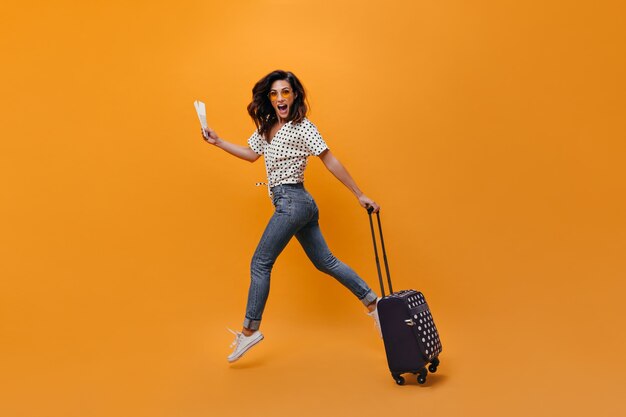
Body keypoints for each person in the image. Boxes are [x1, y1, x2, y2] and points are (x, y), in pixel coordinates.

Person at [201, 70, 381, 363]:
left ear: (294, 95)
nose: (279, 98)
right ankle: (375, 305)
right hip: (297, 204)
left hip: (293, 201)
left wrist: (359, 194)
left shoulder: (302, 127)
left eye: (285, 92)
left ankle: (249, 331)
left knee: (260, 262)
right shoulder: (268, 127)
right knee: (326, 261)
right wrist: (218, 142)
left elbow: (329, 159)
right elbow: (250, 154)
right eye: (274, 94)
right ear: (269, 99)